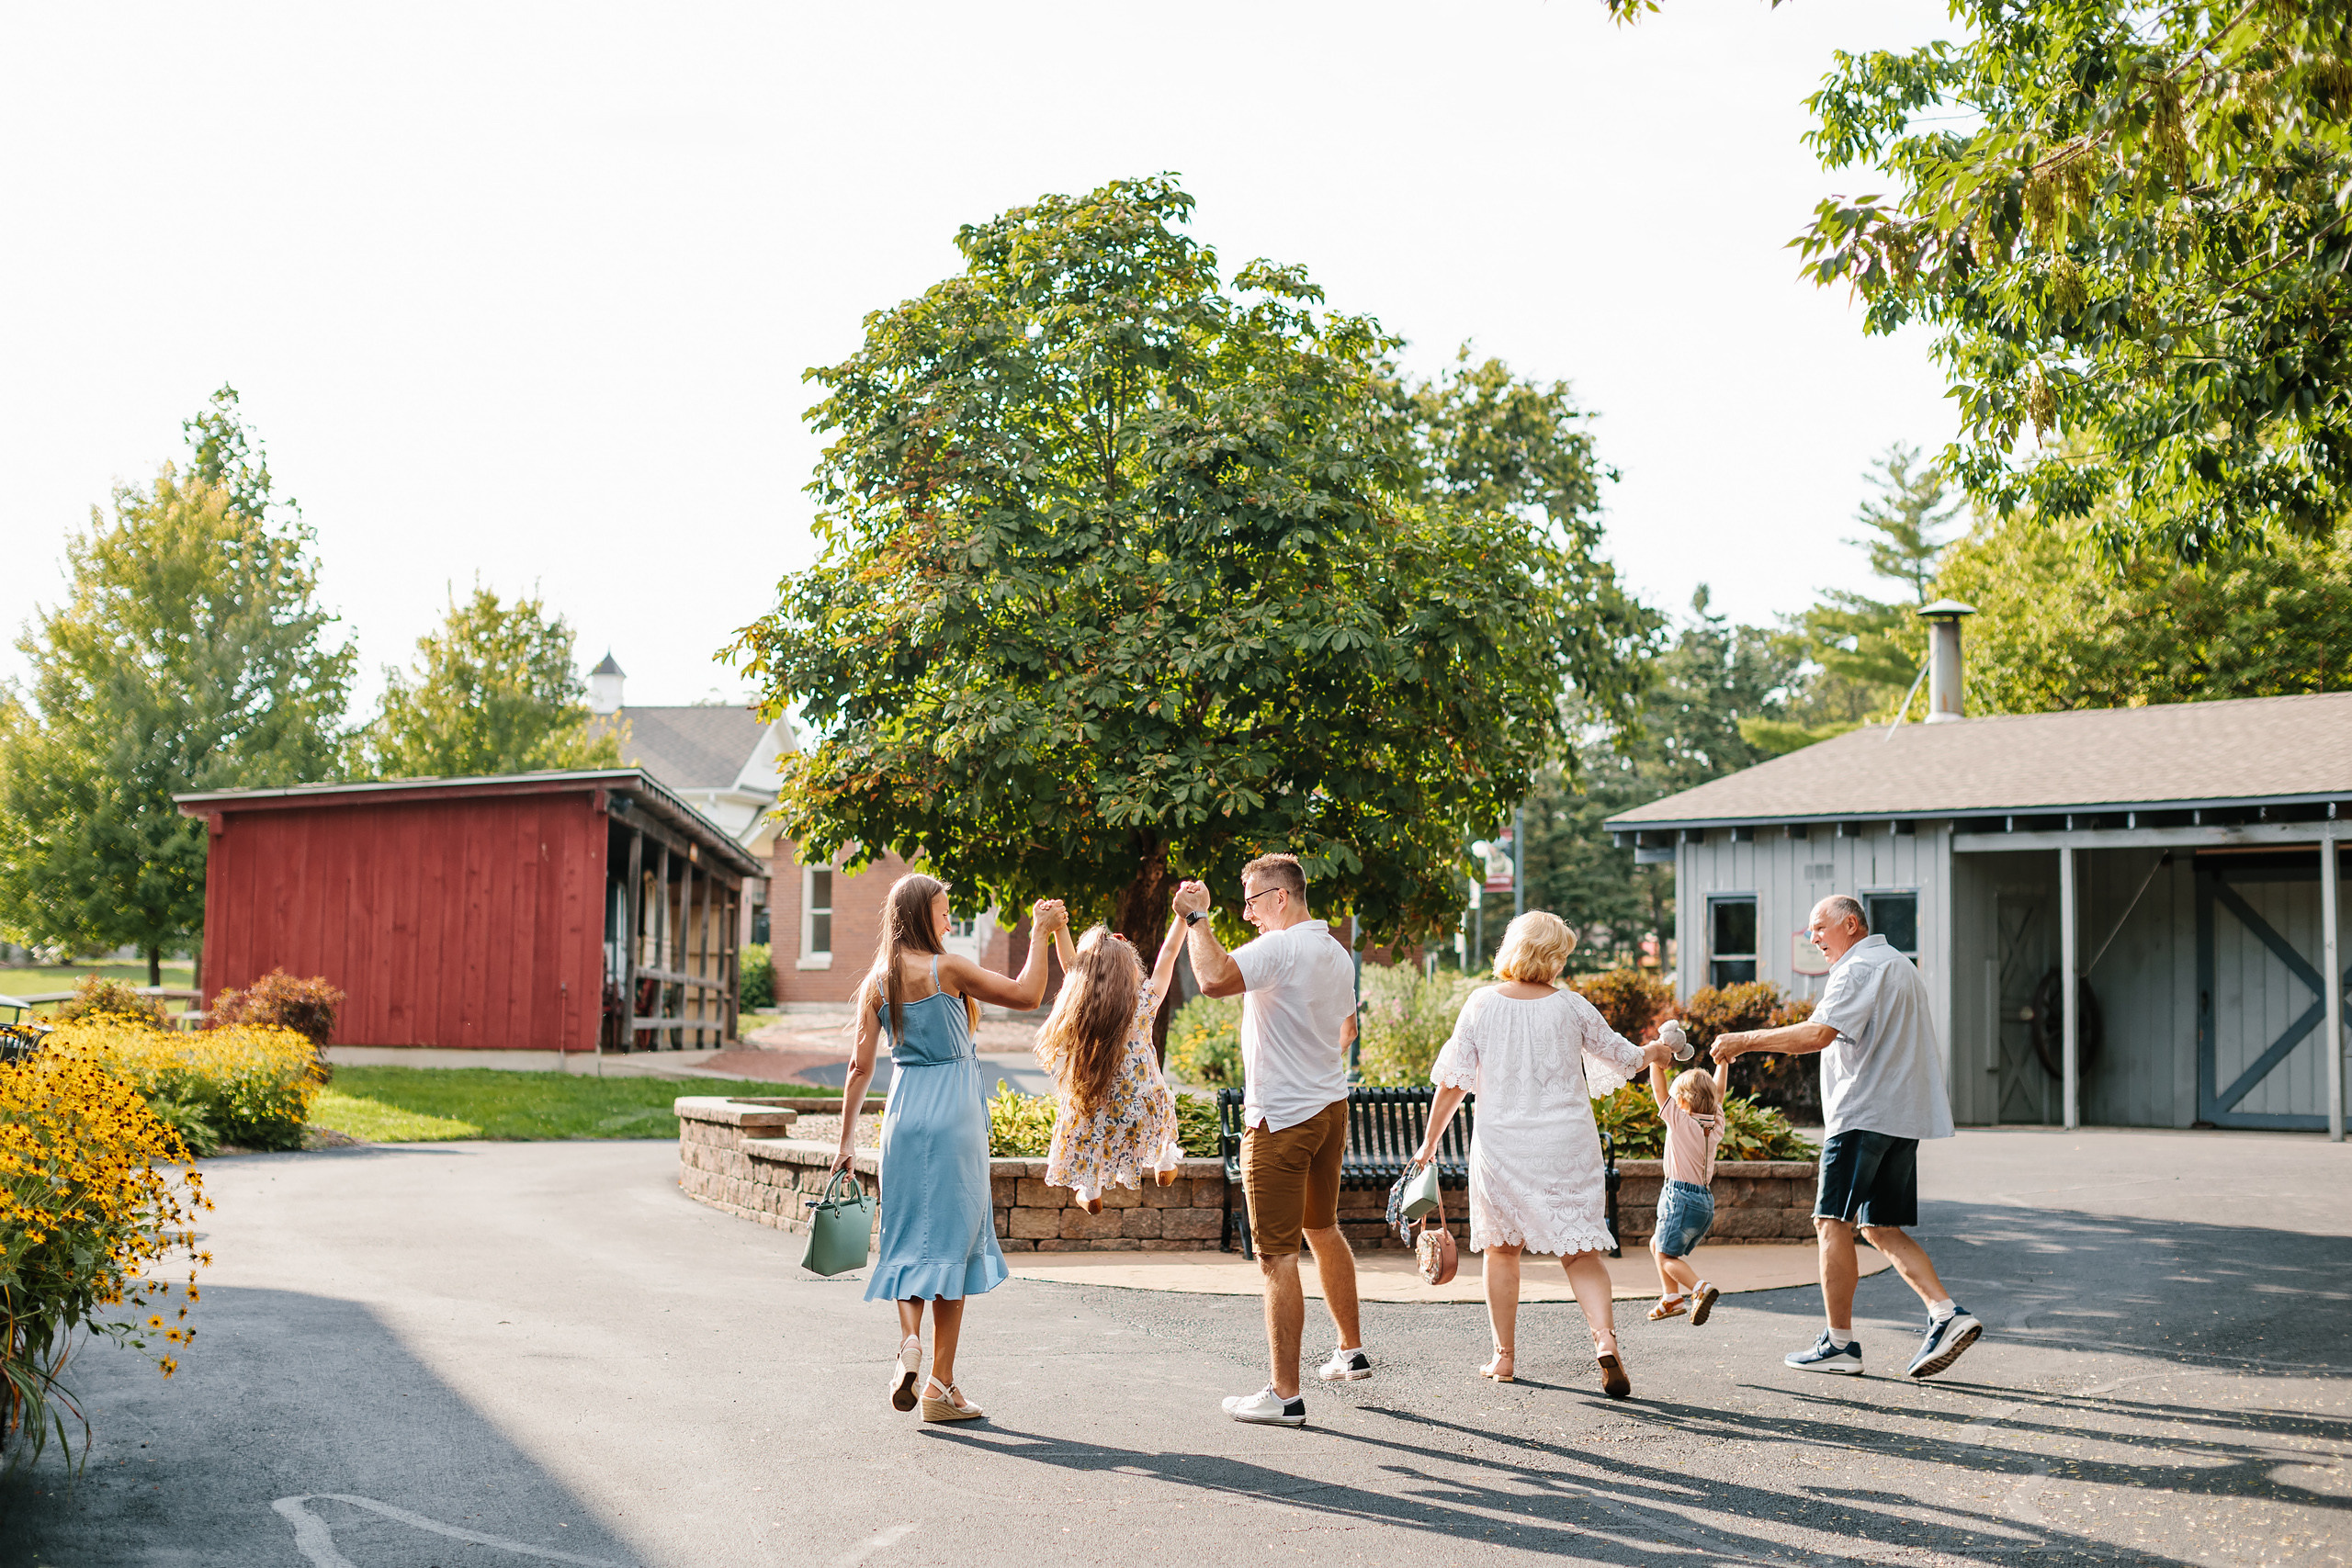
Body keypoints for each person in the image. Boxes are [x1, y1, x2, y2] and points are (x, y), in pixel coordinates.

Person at [1712, 893, 1983, 1380]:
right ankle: (1947, 1314)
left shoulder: (1858, 969)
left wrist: (1744, 1040)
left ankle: (1839, 1343)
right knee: (1879, 1227)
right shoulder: (1899, 964)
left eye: (1819, 928)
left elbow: (1818, 1035)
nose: (1813, 938)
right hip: (1901, 1116)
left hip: (1863, 1113)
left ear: (1851, 925)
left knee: (1830, 1222)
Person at [1411, 911, 1679, 1399]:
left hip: (1502, 1146)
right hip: (1567, 1145)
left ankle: (1504, 1358)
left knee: (1501, 1250)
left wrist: (1429, 1143)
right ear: (1553, 957)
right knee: (1580, 1252)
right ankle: (1604, 1341)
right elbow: (1623, 1057)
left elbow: (1453, 1082)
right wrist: (1658, 1052)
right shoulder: (1571, 1007)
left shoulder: (1479, 1005)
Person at [834, 875, 1068, 1422]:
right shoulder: (950, 969)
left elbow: (858, 1068)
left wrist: (847, 1141)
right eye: (942, 912)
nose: (947, 921)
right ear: (921, 916)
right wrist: (1038, 935)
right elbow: (1028, 995)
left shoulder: (878, 981)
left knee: (907, 1237)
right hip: (955, 1116)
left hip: (903, 1114)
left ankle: (910, 1343)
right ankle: (940, 1387)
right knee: (953, 1246)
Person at [1172, 853, 1363, 1427]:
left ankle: (1284, 1395)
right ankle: (1350, 1352)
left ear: (1281, 897)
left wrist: (1195, 920)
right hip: (1329, 1109)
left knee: (1276, 1256)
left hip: (1280, 1120)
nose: (1248, 914)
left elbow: (1211, 980)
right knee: (1322, 1228)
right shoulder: (1335, 951)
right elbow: (1346, 1030)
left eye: (1252, 902)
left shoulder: (1283, 948)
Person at [1033, 916, 1186, 1213]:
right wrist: (1180, 917)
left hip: (1099, 1107)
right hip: (1144, 1104)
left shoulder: (1082, 1002)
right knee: (1160, 1107)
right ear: (1130, 969)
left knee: (1088, 1129)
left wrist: (1060, 928)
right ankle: (1165, 1161)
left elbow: (1072, 968)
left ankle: (1090, 1191)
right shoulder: (1145, 1000)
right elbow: (1168, 953)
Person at [1645, 1054, 1729, 1325]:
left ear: (1681, 1102)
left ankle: (1699, 1288)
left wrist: (1656, 1060)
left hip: (1679, 1198)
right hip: (1704, 1201)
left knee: (1665, 1255)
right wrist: (1723, 1063)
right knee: (1657, 1243)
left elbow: (1658, 1090)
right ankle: (1671, 1297)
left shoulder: (1679, 1122)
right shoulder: (1714, 1125)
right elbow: (1720, 1093)